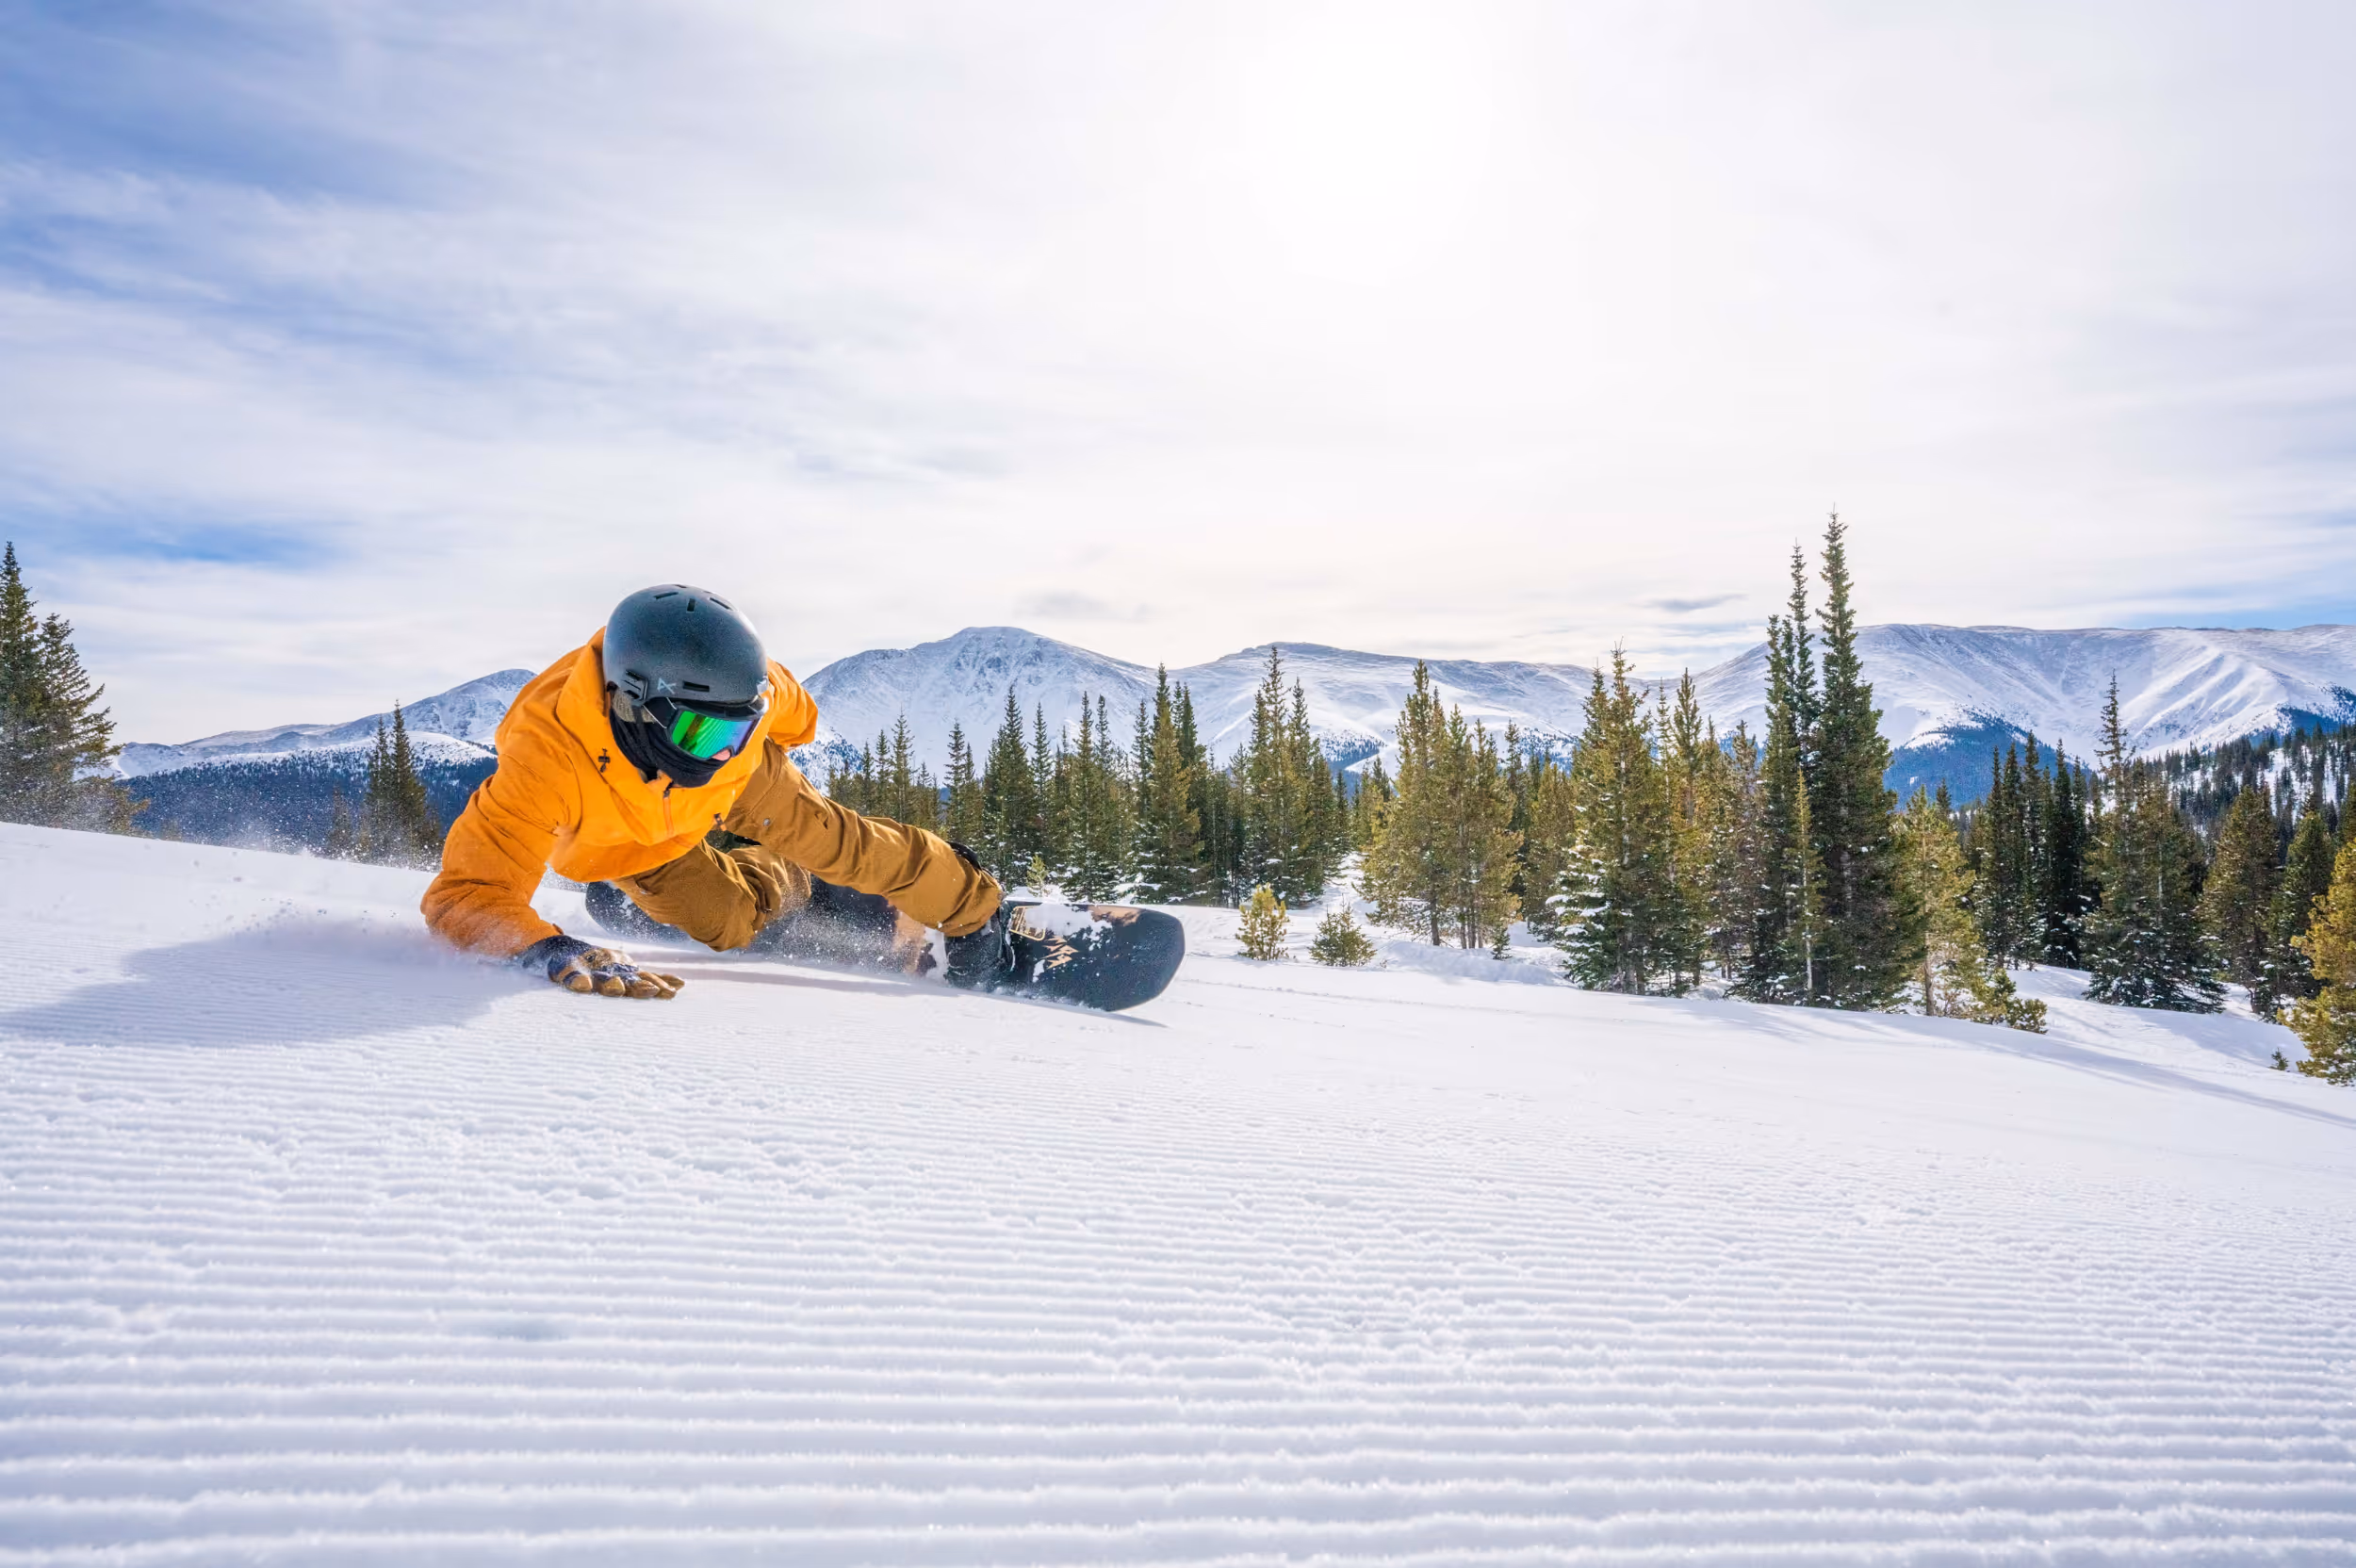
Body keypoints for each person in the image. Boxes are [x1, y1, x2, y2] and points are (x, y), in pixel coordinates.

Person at [422, 584, 1010, 999]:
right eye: (701, 731)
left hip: (741, 789)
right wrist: (541, 948)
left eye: (740, 725)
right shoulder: (546, 758)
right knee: (727, 926)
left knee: (837, 841)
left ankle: (974, 905)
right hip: (629, 839)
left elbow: (795, 719)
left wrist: (734, 739)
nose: (723, 747)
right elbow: (468, 892)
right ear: (631, 703)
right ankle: (789, 876)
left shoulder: (742, 725)